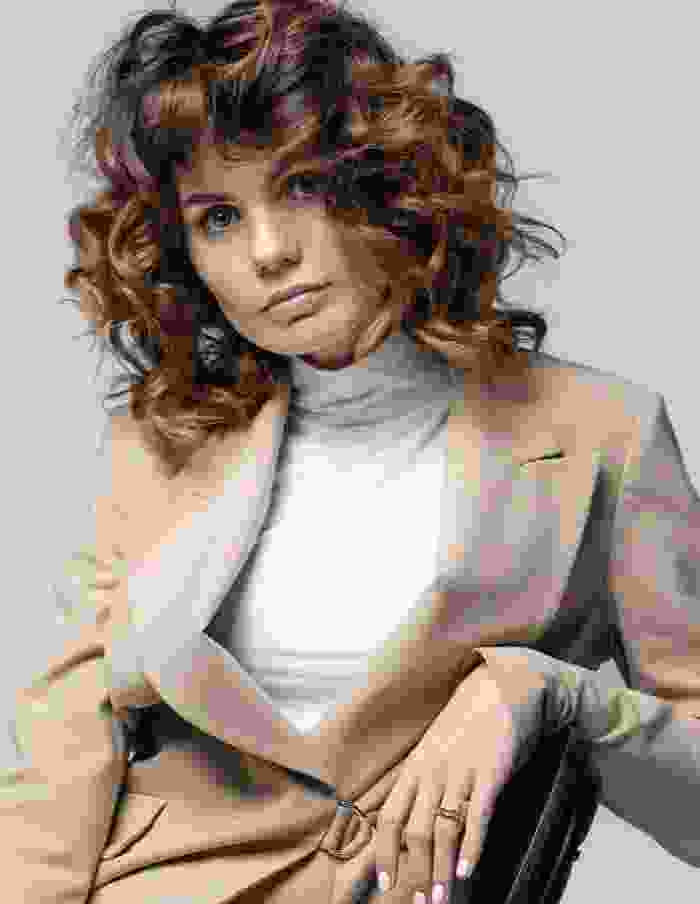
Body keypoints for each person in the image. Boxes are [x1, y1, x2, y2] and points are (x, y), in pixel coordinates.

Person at [4, 1, 700, 902]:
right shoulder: (160, 443)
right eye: (218, 218)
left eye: (301, 186)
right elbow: (60, 755)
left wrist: (545, 692)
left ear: (390, 182)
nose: (268, 253)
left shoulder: (605, 436)